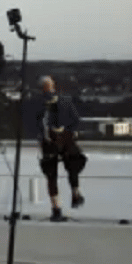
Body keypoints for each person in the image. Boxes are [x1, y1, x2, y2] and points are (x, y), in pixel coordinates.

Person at [36, 76, 87, 222]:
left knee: (55, 173)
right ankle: (72, 196)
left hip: (53, 140)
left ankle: (60, 206)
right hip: (59, 139)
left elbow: (36, 123)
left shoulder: (40, 103)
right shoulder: (62, 101)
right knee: (67, 167)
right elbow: (75, 121)